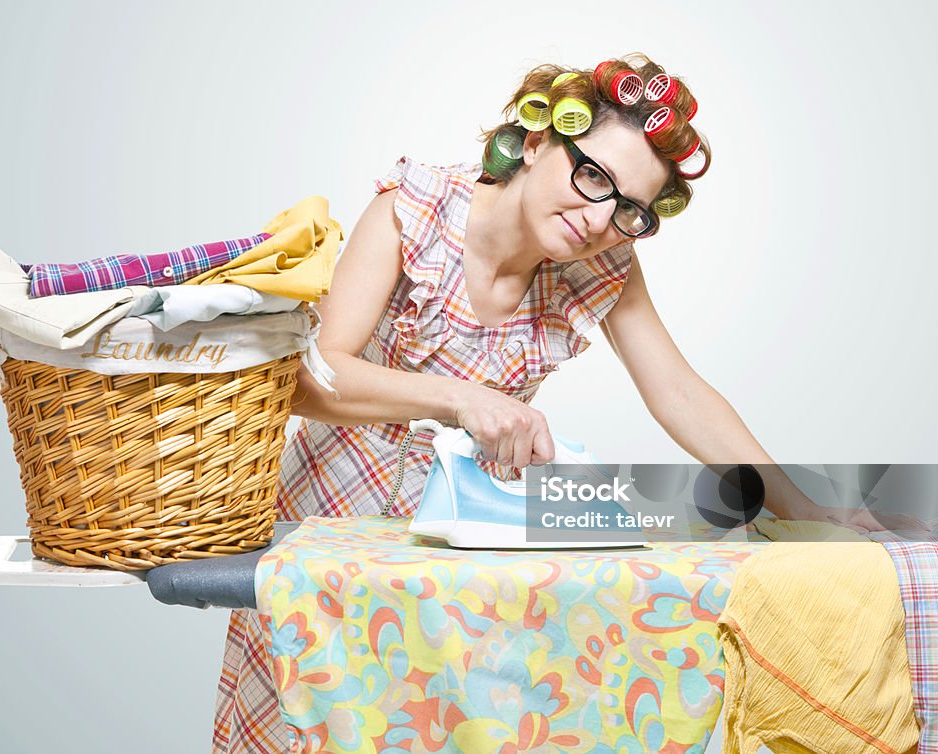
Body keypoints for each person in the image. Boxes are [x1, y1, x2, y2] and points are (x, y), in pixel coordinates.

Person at [211, 54, 917, 754]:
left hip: (459, 554)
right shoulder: (413, 209)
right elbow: (313, 377)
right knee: (305, 726)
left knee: (431, 727)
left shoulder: (601, 261)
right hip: (329, 523)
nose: (600, 216)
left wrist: (796, 504)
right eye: (594, 176)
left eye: (630, 209)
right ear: (541, 137)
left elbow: (678, 391)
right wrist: (463, 400)